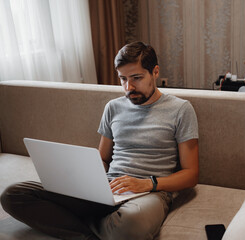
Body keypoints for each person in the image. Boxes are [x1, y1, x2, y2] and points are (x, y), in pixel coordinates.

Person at [0, 42, 199, 240]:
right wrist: (84, 181)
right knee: (13, 195)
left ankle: (88, 227)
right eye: (123, 79)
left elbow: (191, 174)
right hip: (107, 188)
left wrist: (149, 184)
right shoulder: (113, 107)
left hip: (151, 193)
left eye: (136, 78)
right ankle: (95, 233)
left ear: (155, 72)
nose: (129, 87)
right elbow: (102, 158)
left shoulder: (180, 109)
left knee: (131, 225)